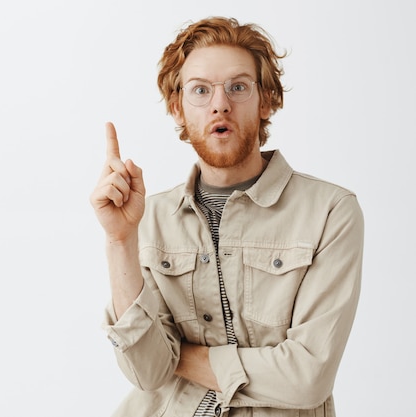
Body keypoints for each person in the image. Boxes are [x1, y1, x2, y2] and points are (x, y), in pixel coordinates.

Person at [89, 16, 364, 417]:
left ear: (266, 100)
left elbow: (308, 376)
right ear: (178, 108)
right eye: (200, 90)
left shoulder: (330, 212)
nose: (220, 104)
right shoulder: (147, 218)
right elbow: (147, 373)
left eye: (238, 87)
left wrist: (176, 356)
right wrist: (119, 241)